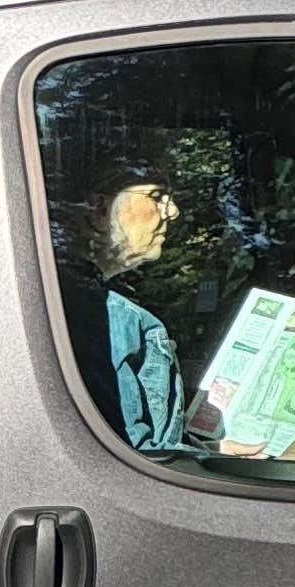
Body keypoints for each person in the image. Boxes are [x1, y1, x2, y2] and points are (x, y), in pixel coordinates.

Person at [61, 179, 188, 453]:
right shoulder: (105, 316)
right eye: (156, 196)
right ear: (99, 211)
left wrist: (211, 451)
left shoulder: (63, 299)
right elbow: (128, 456)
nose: (173, 211)